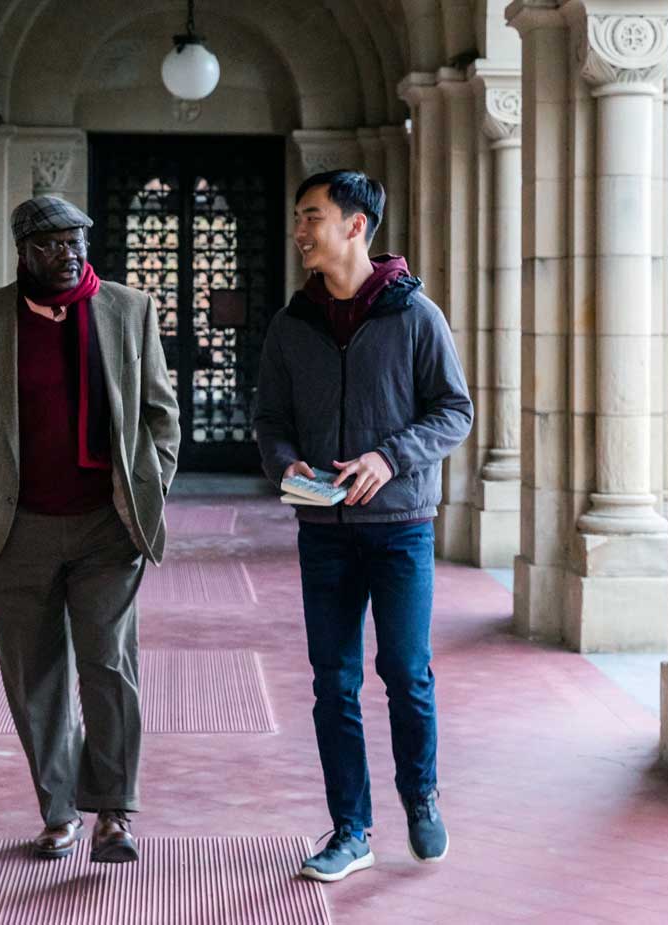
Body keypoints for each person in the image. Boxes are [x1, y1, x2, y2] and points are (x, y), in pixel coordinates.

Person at [0, 195, 180, 863]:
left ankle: (114, 811)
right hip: (17, 532)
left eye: (75, 238)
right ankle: (57, 810)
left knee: (109, 663)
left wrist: (150, 488)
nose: (68, 251)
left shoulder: (129, 311)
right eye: (50, 243)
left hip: (108, 526)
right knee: (34, 675)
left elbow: (162, 416)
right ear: (22, 250)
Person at [254, 170, 473, 882]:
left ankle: (422, 795)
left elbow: (453, 410)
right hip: (323, 530)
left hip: (401, 525)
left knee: (406, 671)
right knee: (333, 680)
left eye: (311, 216)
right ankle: (351, 828)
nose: (300, 231)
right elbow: (270, 421)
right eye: (297, 217)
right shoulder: (292, 326)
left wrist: (390, 455)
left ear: (355, 226)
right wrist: (288, 467)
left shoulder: (417, 317)